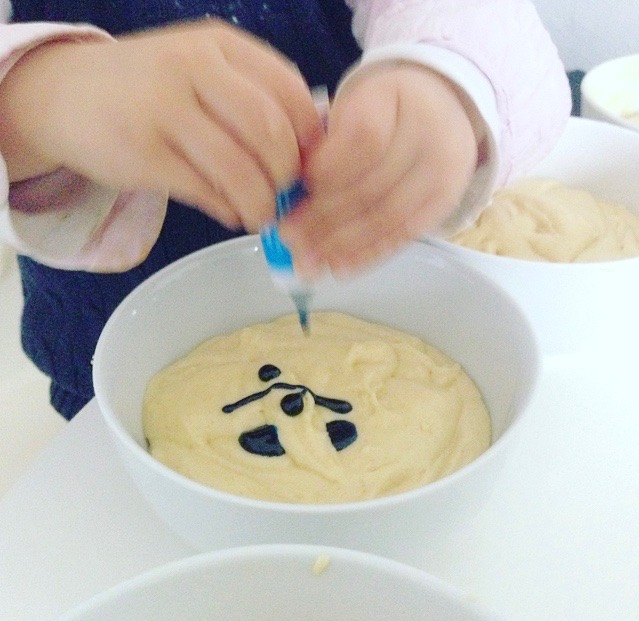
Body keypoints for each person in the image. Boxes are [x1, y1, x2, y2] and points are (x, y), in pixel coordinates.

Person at [0, 0, 571, 420]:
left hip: (391, 337)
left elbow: (487, 23)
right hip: (105, 391)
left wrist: (450, 80)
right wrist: (38, 99)